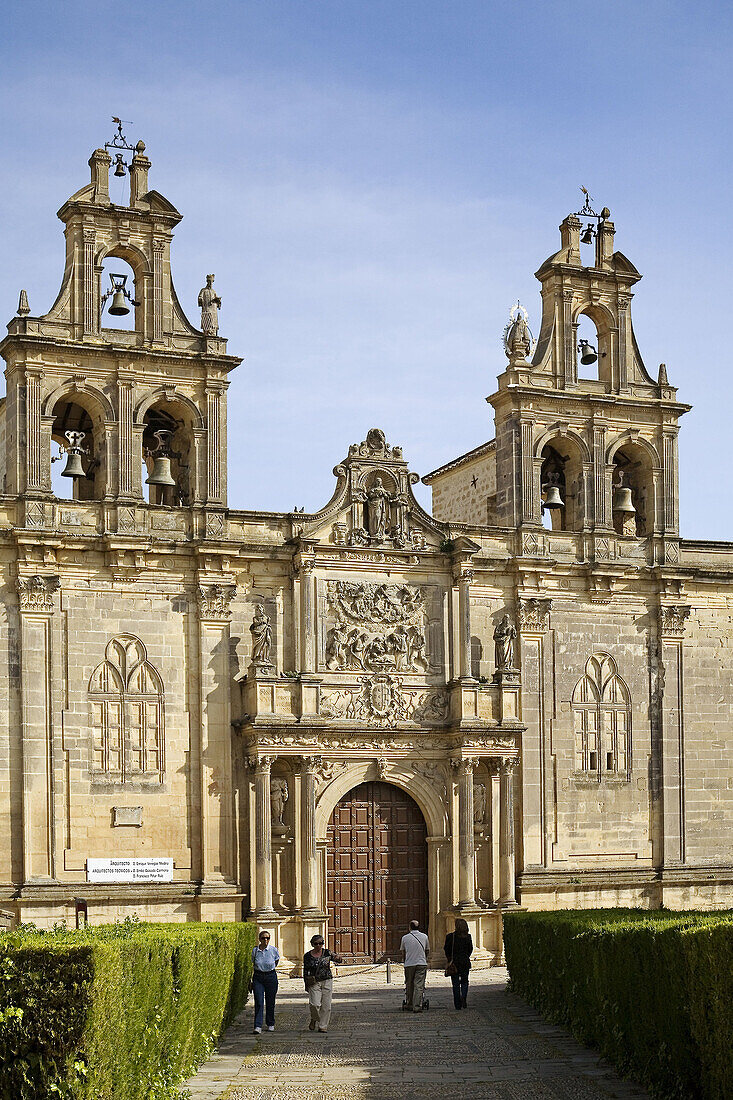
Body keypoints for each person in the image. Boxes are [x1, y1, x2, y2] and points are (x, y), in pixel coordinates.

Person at [303, 934, 343, 1033]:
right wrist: (306, 984)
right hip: (314, 981)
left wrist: (338, 957)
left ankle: (323, 1026)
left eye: (321, 943)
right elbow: (305, 970)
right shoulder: (307, 956)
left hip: (327, 980)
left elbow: (337, 959)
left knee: (326, 1005)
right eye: (316, 944)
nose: (319, 945)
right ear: (312, 944)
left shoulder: (327, 953)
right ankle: (314, 1018)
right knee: (314, 1004)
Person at [251, 929, 280, 1034]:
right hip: (258, 976)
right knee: (258, 1001)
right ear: (259, 939)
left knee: (270, 1001)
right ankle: (258, 1025)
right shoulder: (255, 950)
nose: (265, 940)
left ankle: (270, 1023)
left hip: (270, 976)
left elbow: (276, 960)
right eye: (263, 938)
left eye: (268, 938)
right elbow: (252, 962)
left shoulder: (273, 950)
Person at [400, 919, 430, 1013]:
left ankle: (409, 1004)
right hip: (421, 963)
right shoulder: (424, 937)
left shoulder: (405, 938)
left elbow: (403, 951)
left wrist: (405, 960)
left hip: (409, 964)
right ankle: (417, 1006)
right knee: (419, 985)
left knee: (409, 984)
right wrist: (424, 958)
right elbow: (427, 950)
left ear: (410, 927)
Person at [444, 917, 473, 1010]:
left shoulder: (450, 936)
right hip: (465, 961)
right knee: (465, 981)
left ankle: (457, 1004)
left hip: (454, 962)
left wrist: (449, 959)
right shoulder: (468, 937)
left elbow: (446, 949)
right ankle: (463, 996)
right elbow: (470, 949)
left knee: (455, 983)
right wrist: (466, 956)